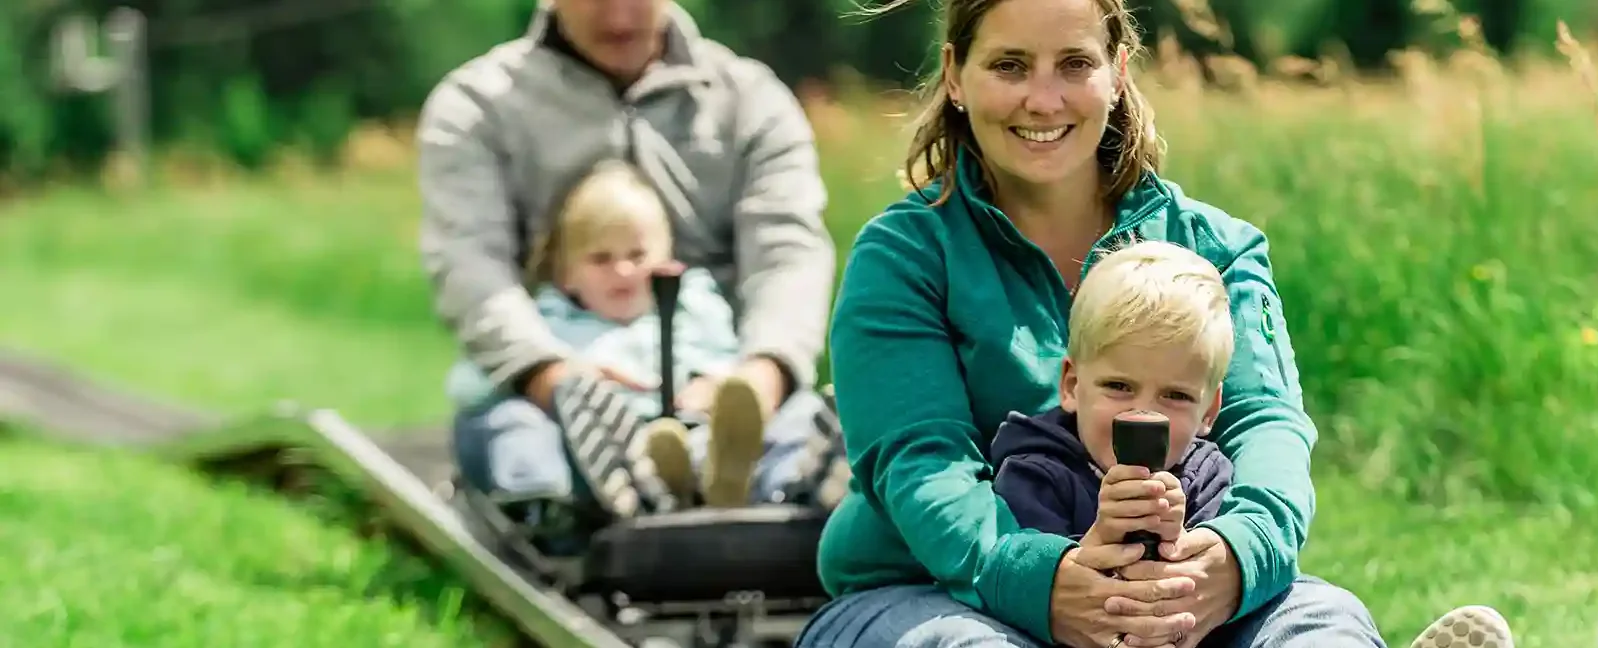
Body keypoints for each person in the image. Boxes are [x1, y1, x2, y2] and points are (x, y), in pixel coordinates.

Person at [799, 0, 1516, 647]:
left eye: (1074, 64)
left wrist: (1235, 557)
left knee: (1323, 624)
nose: (1042, 99)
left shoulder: (1217, 246)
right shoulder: (904, 255)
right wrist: (1044, 582)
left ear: (1117, 71)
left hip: (1179, 586)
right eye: (1010, 65)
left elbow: (1267, 423)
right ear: (956, 75)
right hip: (937, 594)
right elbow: (923, 467)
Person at [416, 0, 845, 530]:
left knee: (795, 420)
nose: (619, 18)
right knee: (515, 436)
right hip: (552, 388)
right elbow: (470, 266)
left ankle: (794, 492)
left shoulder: (753, 102)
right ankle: (564, 513)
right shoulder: (476, 106)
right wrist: (559, 382)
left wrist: (759, 379)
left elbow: (788, 253)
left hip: (718, 380)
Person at [444, 160, 837, 545]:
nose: (624, 271)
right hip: (594, 459)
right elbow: (471, 383)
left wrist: (714, 385)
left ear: (667, 259)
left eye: (637, 256)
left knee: (793, 409)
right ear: (566, 274)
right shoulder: (548, 324)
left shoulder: (693, 307)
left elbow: (725, 354)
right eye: (601, 259)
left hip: (696, 435)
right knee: (514, 423)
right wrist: (563, 381)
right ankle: (553, 509)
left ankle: (798, 486)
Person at [986, 241, 1236, 546]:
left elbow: (1211, 580)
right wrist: (1098, 541)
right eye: (1119, 387)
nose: (1143, 415)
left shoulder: (1205, 477)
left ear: (1209, 411)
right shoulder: (1034, 475)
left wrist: (1178, 542)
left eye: (1175, 395)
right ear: (1072, 385)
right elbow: (1023, 576)